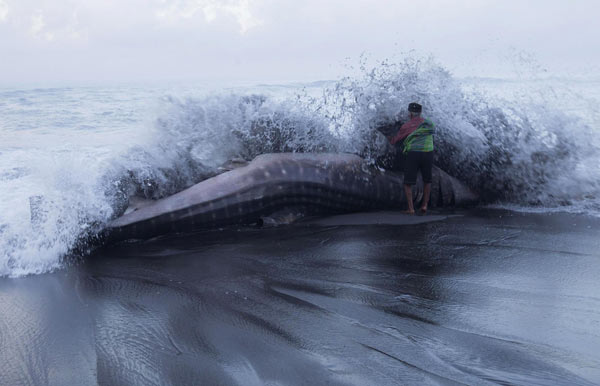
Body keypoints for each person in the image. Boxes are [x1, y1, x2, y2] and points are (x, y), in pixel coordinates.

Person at [387, 102, 435, 215]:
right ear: (420, 112)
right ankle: (424, 205)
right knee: (427, 180)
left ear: (410, 113)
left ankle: (411, 209)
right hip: (428, 153)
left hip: (414, 154)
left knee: (408, 183)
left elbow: (395, 141)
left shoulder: (406, 126)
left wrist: (389, 138)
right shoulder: (429, 123)